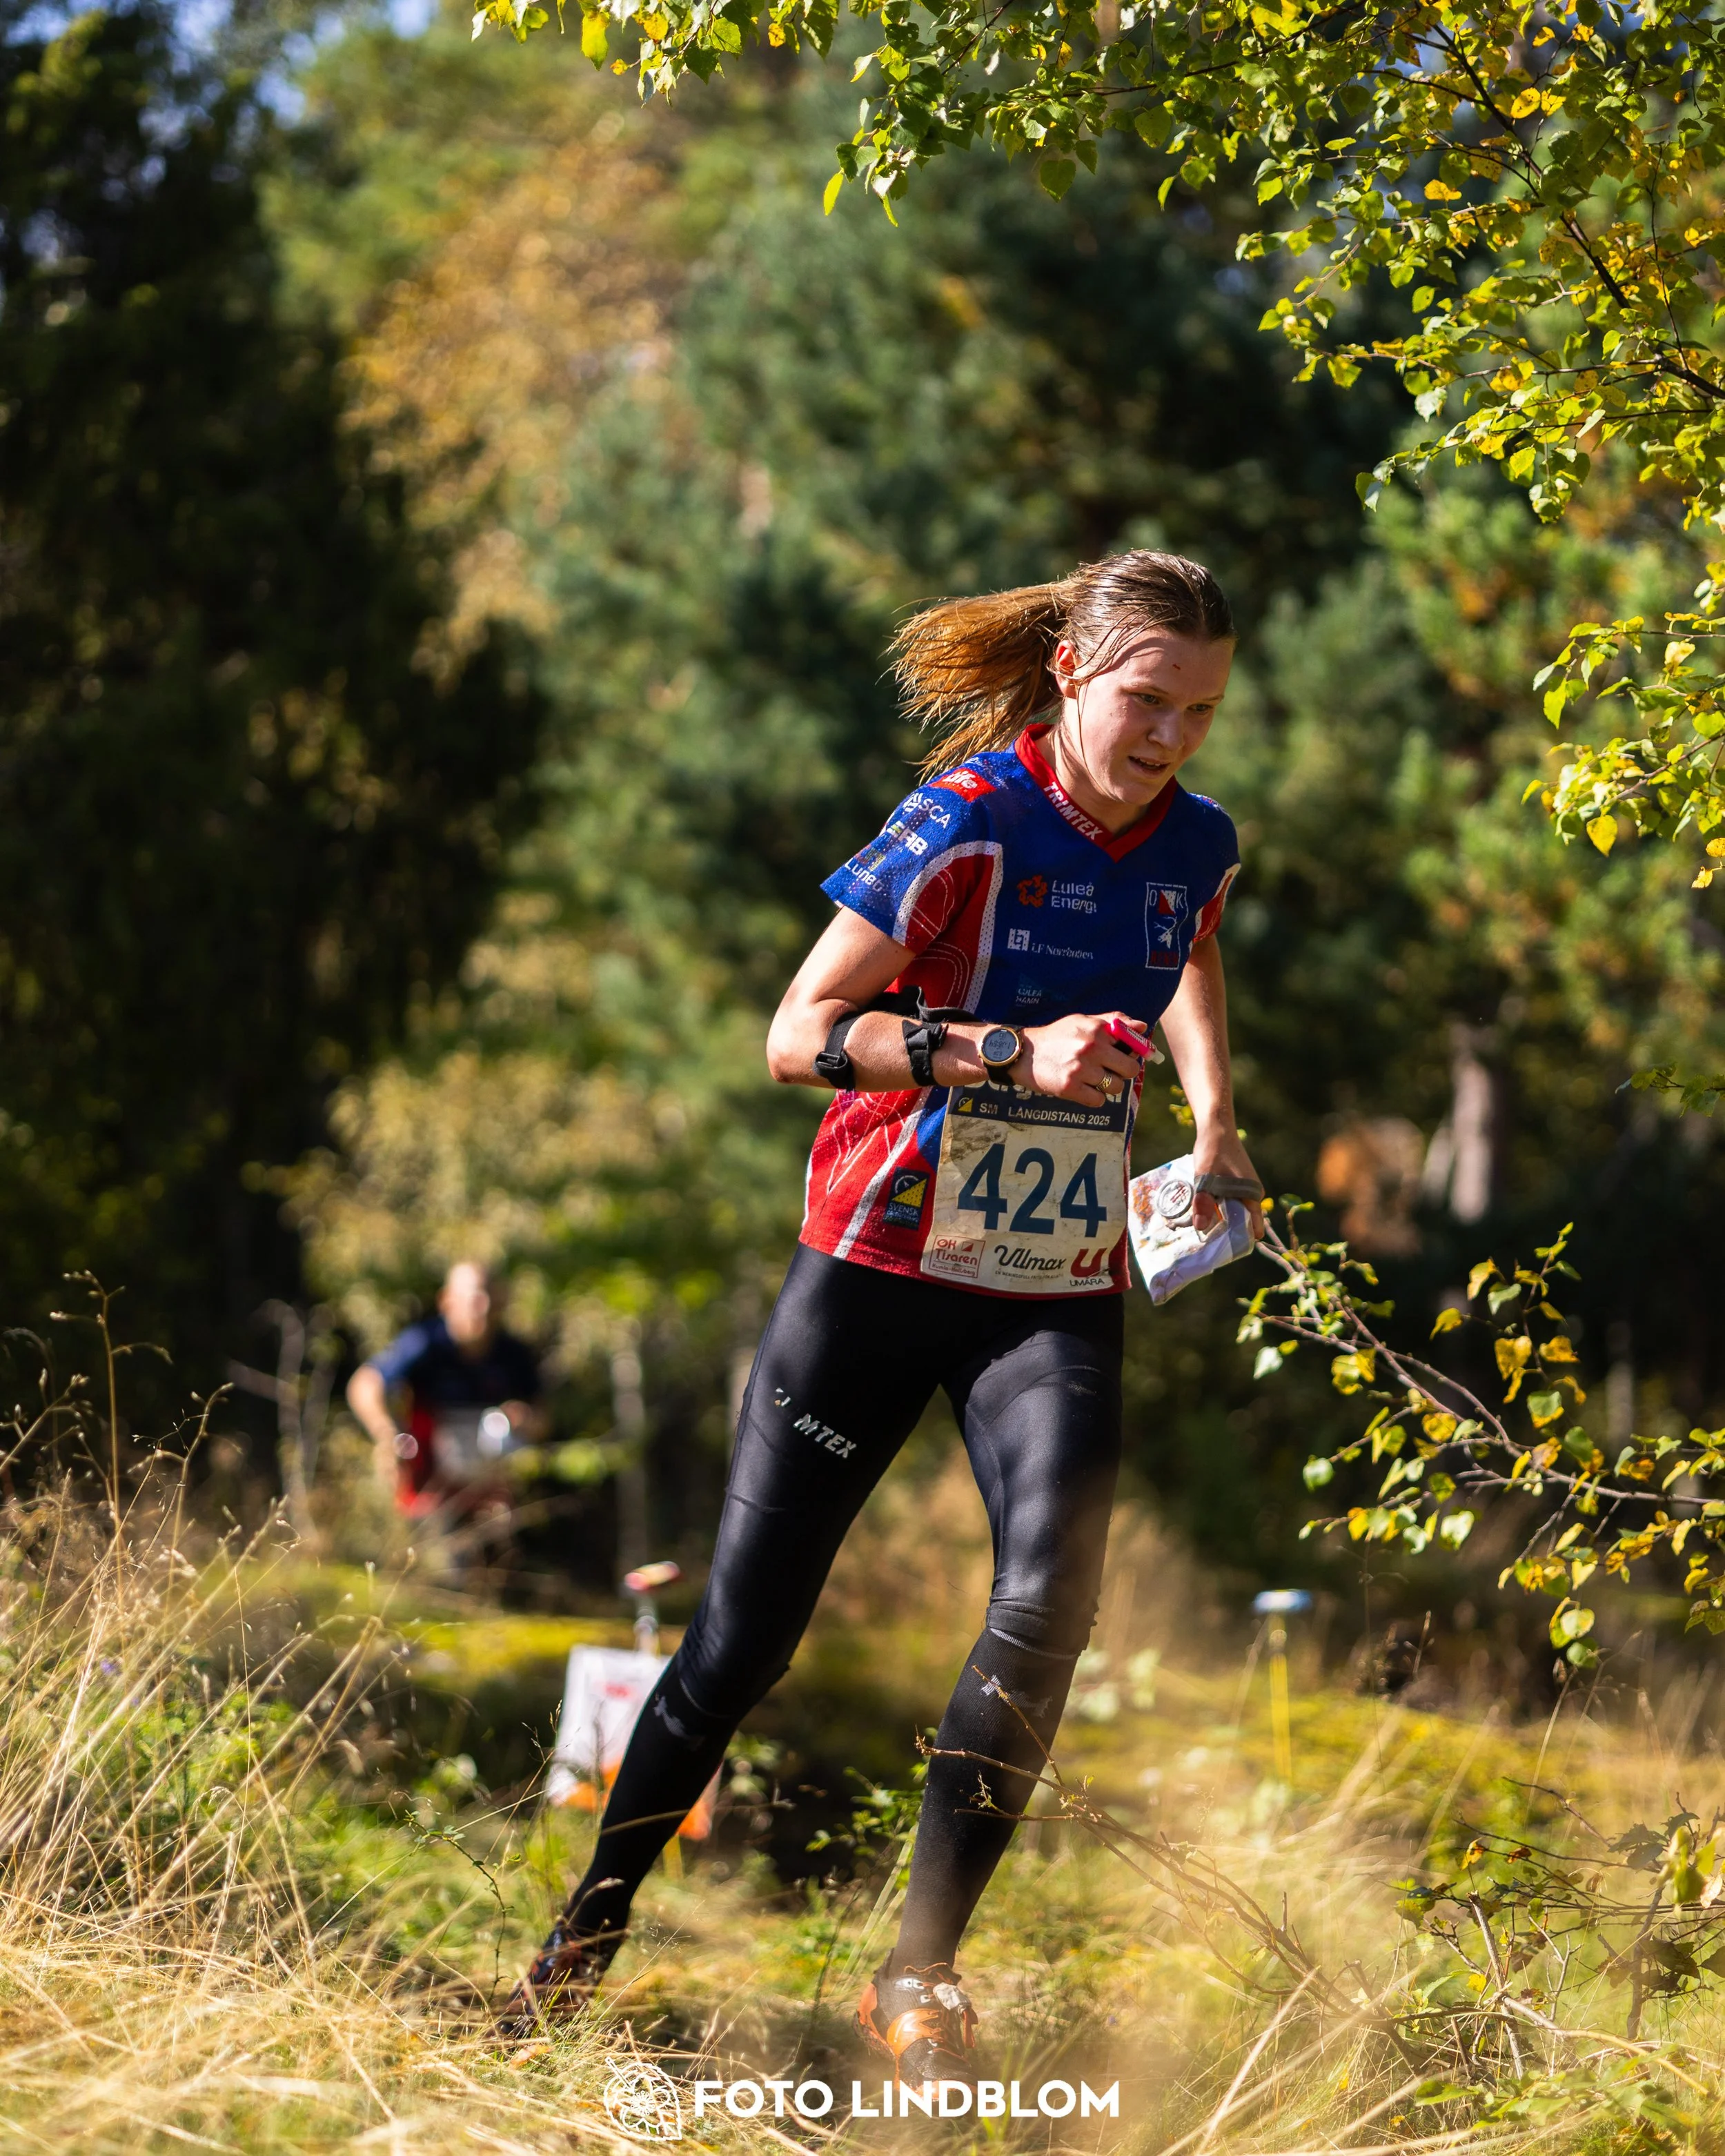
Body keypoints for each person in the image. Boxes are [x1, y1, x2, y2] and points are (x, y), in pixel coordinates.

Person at [500, 551, 1264, 2077]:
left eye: (1201, 711)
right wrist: (1010, 1054)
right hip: (877, 1267)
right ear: (1070, 672)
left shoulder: (1200, 838)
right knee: (741, 1645)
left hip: (1046, 1286)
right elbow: (797, 1034)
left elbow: (1185, 938)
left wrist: (1217, 1116)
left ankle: (919, 1974)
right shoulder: (968, 818)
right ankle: (582, 1938)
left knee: (1052, 1601)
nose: (1173, 736)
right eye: (1147, 700)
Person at [346, 1260, 547, 1516]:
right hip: (427, 1483)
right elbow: (364, 1384)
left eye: (490, 1296)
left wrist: (525, 1420)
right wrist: (387, 1434)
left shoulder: (514, 1354)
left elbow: (543, 1416)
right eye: (475, 1297)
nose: (484, 1307)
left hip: (489, 1488)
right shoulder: (423, 1342)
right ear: (447, 1301)